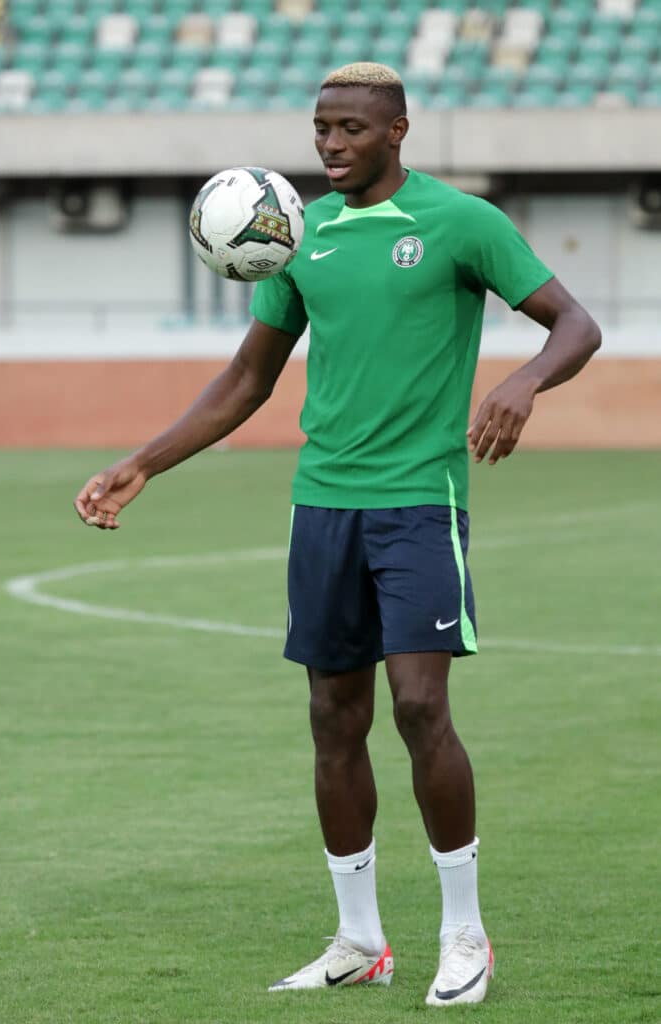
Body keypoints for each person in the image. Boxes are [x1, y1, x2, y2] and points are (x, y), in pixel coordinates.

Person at [74, 63, 601, 1005]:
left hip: (418, 503)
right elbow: (247, 380)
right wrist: (144, 461)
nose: (330, 143)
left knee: (418, 708)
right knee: (332, 719)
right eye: (321, 127)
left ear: (398, 131)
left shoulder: (460, 223)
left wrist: (523, 382)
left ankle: (465, 935)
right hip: (322, 504)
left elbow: (575, 326)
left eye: (351, 128)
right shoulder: (300, 238)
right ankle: (359, 941)